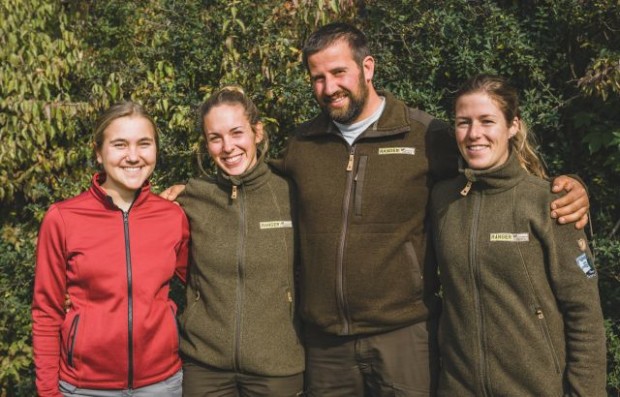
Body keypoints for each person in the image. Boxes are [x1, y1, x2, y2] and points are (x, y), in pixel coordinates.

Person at [162, 22, 590, 397]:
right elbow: (250, 179)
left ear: (368, 68)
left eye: (338, 72)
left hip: (403, 338)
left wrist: (571, 187)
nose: (329, 88)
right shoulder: (304, 145)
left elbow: (497, 168)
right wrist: (188, 192)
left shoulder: (428, 135)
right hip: (325, 345)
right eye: (317, 77)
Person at [430, 74, 606, 396]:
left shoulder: (550, 203)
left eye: (487, 121)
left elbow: (585, 315)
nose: (474, 134)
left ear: (513, 126)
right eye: (463, 122)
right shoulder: (442, 200)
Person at [32, 102, 190, 397]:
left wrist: (198, 192)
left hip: (162, 385)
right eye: (119, 145)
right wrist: (48, 392)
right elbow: (46, 313)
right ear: (98, 152)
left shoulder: (173, 216)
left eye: (144, 144)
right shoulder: (63, 218)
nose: (133, 156)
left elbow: (206, 284)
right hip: (84, 388)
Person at [176, 86, 304, 397]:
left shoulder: (291, 193)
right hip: (204, 367)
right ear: (206, 145)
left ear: (257, 132)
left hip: (277, 367)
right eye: (215, 138)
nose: (228, 146)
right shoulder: (191, 197)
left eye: (236, 133)